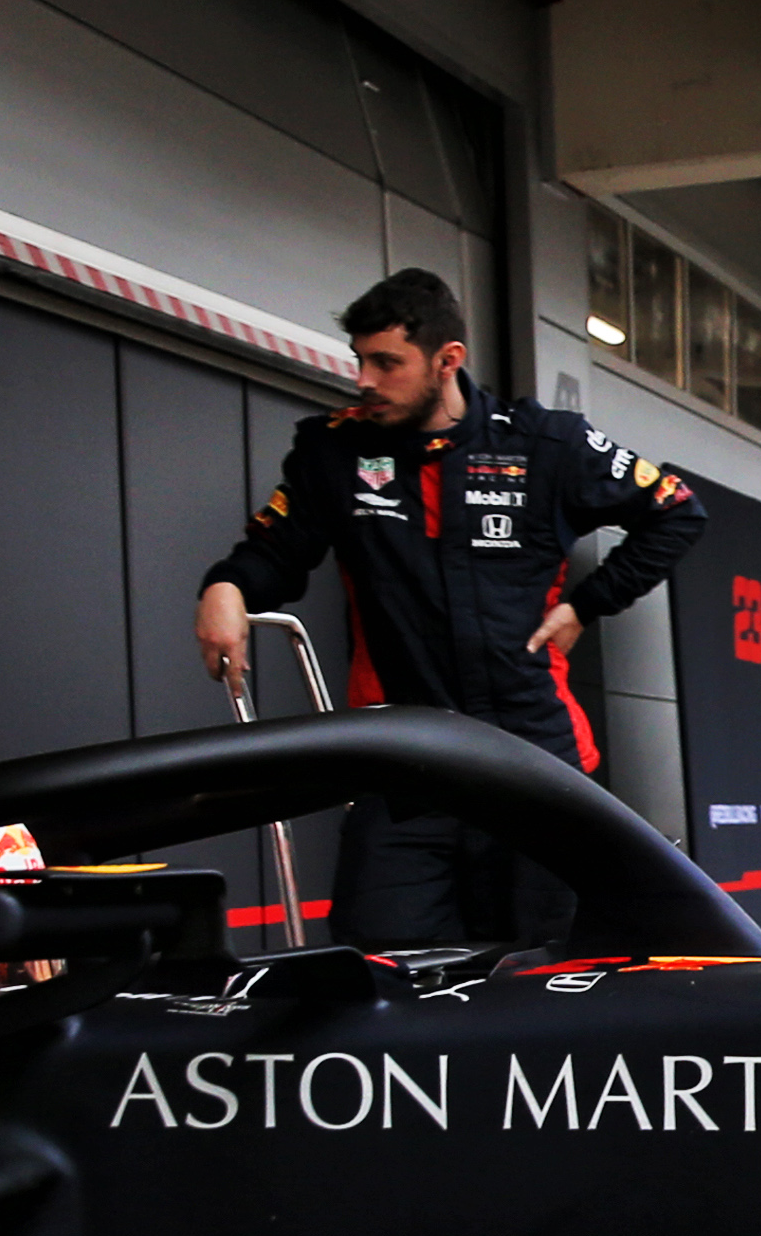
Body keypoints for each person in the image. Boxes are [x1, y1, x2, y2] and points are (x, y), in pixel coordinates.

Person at [194, 266, 704, 949]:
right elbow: (273, 553)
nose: (365, 380)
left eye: (387, 363)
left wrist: (587, 605)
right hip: (403, 764)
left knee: (543, 980)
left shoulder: (545, 444)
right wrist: (224, 588)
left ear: (447, 360)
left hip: (535, 762)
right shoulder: (334, 452)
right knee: (379, 972)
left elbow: (676, 511)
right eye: (360, 361)